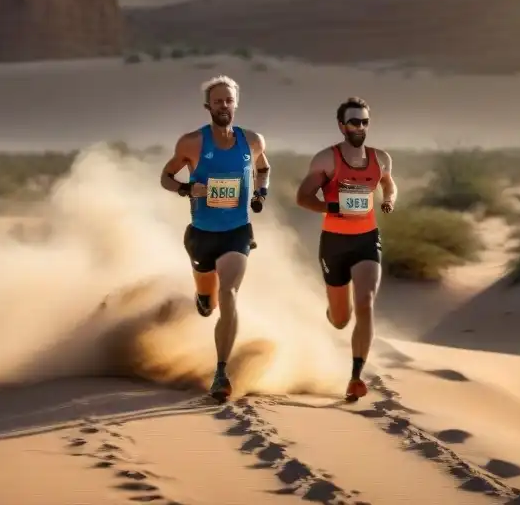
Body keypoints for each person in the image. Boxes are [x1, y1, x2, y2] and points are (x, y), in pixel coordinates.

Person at [159, 75, 271, 401]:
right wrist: (185, 188)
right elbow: (166, 176)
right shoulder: (192, 143)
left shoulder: (253, 141)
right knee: (208, 303)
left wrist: (260, 194)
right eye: (218, 101)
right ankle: (202, 297)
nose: (224, 106)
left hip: (237, 232)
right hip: (202, 235)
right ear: (208, 106)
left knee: (230, 294)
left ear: (236, 104)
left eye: (229, 100)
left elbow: (263, 168)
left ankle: (221, 372)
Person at [294, 97, 397, 402]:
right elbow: (303, 197)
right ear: (341, 125)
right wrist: (333, 205)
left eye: (364, 121)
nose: (360, 127)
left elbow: (389, 184)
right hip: (334, 243)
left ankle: (355, 377)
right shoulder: (327, 160)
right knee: (341, 318)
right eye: (354, 122)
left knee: (365, 303)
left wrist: (388, 199)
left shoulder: (381, 159)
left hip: (366, 240)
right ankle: (335, 310)